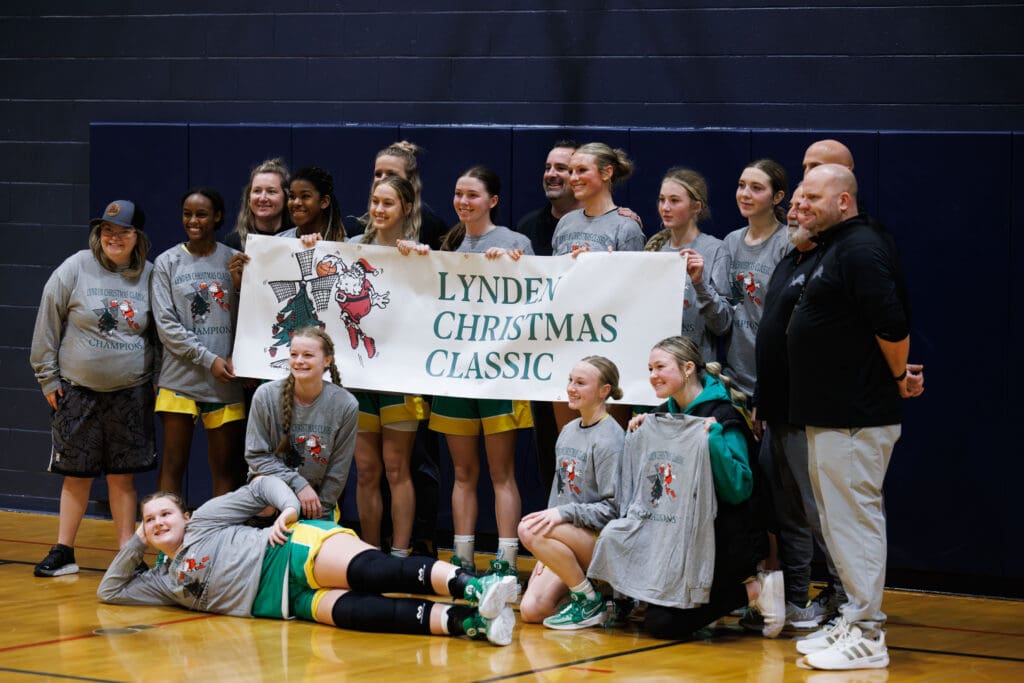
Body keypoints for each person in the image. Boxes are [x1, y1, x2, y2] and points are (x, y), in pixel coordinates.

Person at [97, 476, 520, 646]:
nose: (158, 522)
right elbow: (110, 591)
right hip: (282, 604)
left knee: (373, 572)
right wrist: (136, 539)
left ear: (185, 516)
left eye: (165, 514)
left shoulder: (204, 521)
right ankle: (469, 623)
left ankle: (475, 586)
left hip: (290, 553)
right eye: (150, 520)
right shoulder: (162, 578)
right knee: (367, 613)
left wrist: (286, 509)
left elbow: (262, 484)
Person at [788, 164, 922, 670]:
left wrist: (894, 378)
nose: (806, 205)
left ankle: (868, 635)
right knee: (838, 524)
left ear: (844, 201)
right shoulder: (835, 246)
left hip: (855, 415)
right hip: (829, 415)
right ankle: (853, 617)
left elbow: (892, 323)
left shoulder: (862, 246)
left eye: (815, 197)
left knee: (856, 522)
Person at [588, 336, 785, 640]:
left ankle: (757, 589)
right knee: (615, 540)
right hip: (672, 536)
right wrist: (642, 436)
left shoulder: (723, 417)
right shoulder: (656, 418)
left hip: (724, 540)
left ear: (689, 368)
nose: (653, 375)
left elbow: (738, 490)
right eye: (650, 368)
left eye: (660, 367)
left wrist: (715, 442)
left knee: (662, 624)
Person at [402, 166, 534, 575]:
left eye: (472, 195)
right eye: (458, 194)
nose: (463, 201)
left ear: (492, 201)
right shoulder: (450, 243)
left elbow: (538, 296)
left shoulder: (516, 242)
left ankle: (507, 559)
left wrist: (514, 266)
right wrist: (420, 262)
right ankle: (461, 555)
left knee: (501, 471)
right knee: (462, 472)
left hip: (500, 374)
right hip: (455, 374)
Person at [29, 199, 157, 577]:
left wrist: (158, 382)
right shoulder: (75, 267)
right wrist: (47, 377)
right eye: (107, 230)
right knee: (76, 473)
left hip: (131, 391)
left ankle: (126, 556)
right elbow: (47, 322)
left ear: (138, 237)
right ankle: (64, 550)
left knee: (123, 474)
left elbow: (162, 335)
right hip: (77, 390)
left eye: (123, 231)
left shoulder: (150, 276)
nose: (113, 237)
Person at [748, 185, 841, 631]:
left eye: (807, 207)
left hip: (811, 411)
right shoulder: (789, 260)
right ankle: (799, 599)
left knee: (819, 509)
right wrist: (763, 403)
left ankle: (845, 598)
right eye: (795, 208)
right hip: (778, 408)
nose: (796, 214)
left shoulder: (830, 263)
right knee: (786, 513)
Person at [348, 176, 430, 552]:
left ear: (406, 209)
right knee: (366, 471)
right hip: (358, 378)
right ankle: (369, 553)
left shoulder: (417, 256)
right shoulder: (349, 250)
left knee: (397, 469)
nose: (378, 210)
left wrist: (422, 260)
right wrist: (311, 246)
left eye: (388, 204)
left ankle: (399, 553)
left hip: (399, 379)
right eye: (375, 201)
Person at [517, 356, 624, 629]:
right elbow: (560, 494)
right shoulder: (567, 431)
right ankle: (598, 600)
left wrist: (561, 516)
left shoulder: (611, 438)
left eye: (580, 383)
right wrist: (546, 553)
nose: (571, 388)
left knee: (529, 527)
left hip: (599, 540)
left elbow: (614, 509)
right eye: (570, 381)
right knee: (531, 610)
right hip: (568, 537)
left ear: (604, 391)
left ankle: (592, 597)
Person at [152, 187, 245, 497]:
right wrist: (208, 359)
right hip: (180, 378)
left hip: (225, 381)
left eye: (201, 214)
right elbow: (166, 325)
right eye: (187, 214)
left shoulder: (233, 260)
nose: (193, 220)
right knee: (173, 464)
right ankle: (168, 543)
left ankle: (219, 543)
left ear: (217, 217)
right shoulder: (167, 262)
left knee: (225, 468)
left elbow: (250, 317)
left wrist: (237, 357)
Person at [245, 327, 358, 521]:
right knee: (266, 501)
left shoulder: (346, 405)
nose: (298, 361)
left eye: (308, 355)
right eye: (294, 354)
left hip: (316, 499)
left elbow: (338, 469)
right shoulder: (265, 396)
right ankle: (259, 533)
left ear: (327, 360)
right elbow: (256, 456)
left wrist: (320, 512)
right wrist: (298, 484)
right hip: (271, 490)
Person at [645, 167, 731, 364]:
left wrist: (699, 283)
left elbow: (722, 324)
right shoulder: (653, 251)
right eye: (662, 199)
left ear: (696, 207)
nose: (665, 207)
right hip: (658, 367)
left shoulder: (715, 250)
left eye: (674, 200)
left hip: (697, 368)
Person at [722, 159, 790, 399]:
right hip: (734, 377)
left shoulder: (787, 243)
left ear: (777, 197)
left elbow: (787, 319)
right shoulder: (731, 241)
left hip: (772, 379)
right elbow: (725, 306)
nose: (745, 194)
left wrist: (768, 389)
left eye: (757, 188)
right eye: (742, 185)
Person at [348, 141, 448, 250]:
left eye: (391, 174)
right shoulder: (357, 233)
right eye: (378, 174)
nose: (383, 179)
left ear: (410, 181)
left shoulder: (433, 228)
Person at [550, 142, 645, 256]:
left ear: (606, 173)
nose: (573, 178)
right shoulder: (565, 222)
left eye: (582, 170)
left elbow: (633, 273)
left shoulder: (626, 228)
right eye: (570, 171)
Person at [515, 140, 580, 256]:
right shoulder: (527, 225)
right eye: (547, 168)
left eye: (561, 168)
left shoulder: (599, 226)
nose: (551, 174)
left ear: (579, 177)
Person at [224, 157, 292, 252]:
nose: (263, 198)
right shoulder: (233, 243)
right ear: (249, 198)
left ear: (286, 197)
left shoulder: (300, 238)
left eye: (271, 191)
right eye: (257, 191)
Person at [278, 166, 347, 243]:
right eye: (292, 196)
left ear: (324, 202)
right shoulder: (277, 241)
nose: (296, 202)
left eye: (305, 196)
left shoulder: (346, 247)